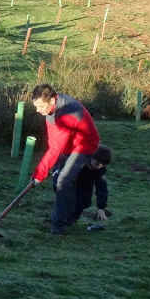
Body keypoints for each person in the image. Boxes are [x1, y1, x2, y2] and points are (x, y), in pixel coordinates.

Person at [29, 84, 101, 235]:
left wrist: (39, 174)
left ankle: (59, 225)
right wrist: (43, 171)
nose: (37, 110)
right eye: (36, 106)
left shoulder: (67, 113)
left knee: (63, 180)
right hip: (70, 144)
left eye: (40, 106)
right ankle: (73, 210)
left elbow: (56, 147)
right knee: (58, 180)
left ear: (52, 100)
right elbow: (54, 142)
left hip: (84, 145)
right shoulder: (52, 110)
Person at [75, 145, 112, 223]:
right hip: (70, 183)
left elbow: (102, 188)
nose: (99, 166)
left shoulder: (100, 170)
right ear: (92, 157)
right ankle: (60, 223)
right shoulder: (78, 162)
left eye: (103, 164)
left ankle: (72, 220)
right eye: (98, 163)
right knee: (71, 202)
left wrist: (101, 207)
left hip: (86, 184)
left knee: (85, 202)